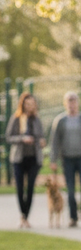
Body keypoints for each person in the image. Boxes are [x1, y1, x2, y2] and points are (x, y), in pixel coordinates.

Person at [49, 91, 81, 228]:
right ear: (65, 104)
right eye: (69, 102)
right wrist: (53, 160)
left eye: (74, 102)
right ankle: (73, 217)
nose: (72, 105)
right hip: (67, 159)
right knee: (70, 190)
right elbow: (55, 141)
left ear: (78, 103)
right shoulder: (60, 120)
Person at [5, 92, 46, 228]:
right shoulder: (16, 118)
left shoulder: (37, 120)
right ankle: (22, 214)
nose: (29, 106)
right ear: (22, 104)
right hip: (19, 158)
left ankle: (26, 216)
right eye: (27, 104)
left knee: (30, 188)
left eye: (32, 104)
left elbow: (41, 136)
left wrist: (41, 142)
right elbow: (8, 137)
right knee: (20, 188)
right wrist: (22, 139)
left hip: (34, 158)